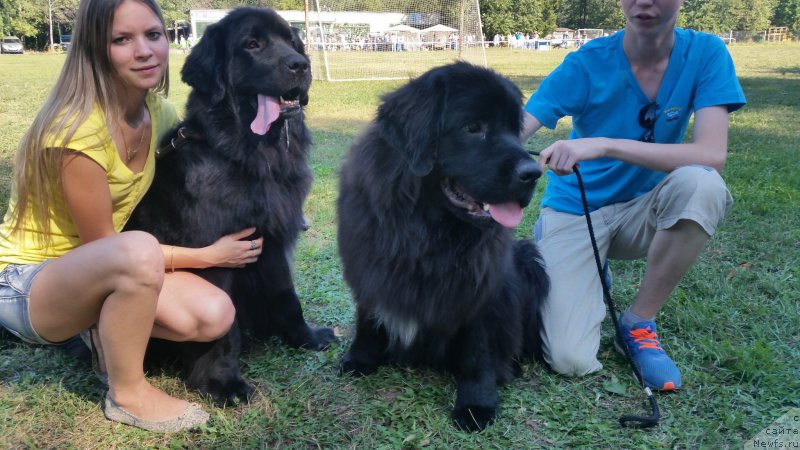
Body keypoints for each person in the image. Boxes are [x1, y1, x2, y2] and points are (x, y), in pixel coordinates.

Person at [0, 0, 263, 433]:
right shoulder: (75, 131)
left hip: (101, 273)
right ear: (94, 50)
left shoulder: (157, 113)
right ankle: (127, 393)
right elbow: (107, 247)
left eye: (153, 35)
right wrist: (210, 255)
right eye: (122, 40)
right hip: (28, 282)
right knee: (137, 249)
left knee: (215, 313)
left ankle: (95, 332)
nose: (144, 51)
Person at [520, 0, 745, 390]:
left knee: (702, 183)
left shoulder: (706, 52)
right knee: (569, 359)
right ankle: (587, 266)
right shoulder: (586, 62)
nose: (644, 1)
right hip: (577, 211)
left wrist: (604, 145)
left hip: (646, 208)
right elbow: (518, 126)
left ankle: (638, 324)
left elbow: (711, 154)